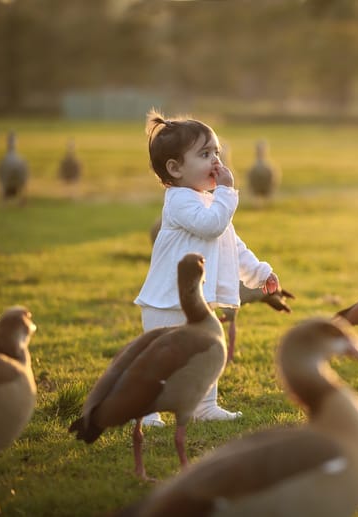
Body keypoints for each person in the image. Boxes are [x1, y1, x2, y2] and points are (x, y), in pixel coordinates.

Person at [135, 109, 280, 425]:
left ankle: (203, 405)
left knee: (208, 349)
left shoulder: (208, 201)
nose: (216, 160)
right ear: (175, 169)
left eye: (217, 152)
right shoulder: (180, 201)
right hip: (166, 301)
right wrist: (227, 193)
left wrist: (260, 273)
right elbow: (212, 226)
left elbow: (232, 245)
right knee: (161, 358)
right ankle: (147, 409)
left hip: (196, 300)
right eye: (204, 154)